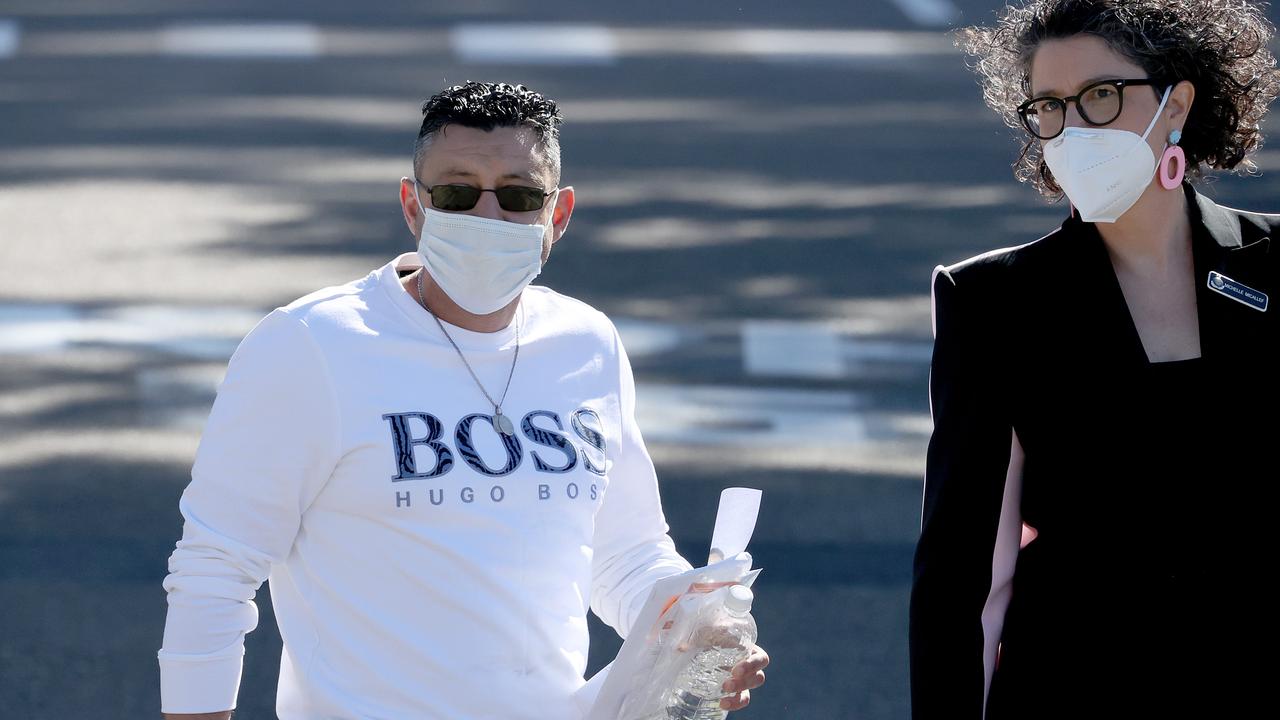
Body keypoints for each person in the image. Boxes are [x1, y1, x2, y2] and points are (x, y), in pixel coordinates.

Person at [158, 81, 768, 720]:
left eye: (517, 195)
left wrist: (696, 629)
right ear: (413, 206)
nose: (487, 217)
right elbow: (216, 565)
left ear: (556, 216)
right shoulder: (314, 345)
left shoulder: (586, 343)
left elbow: (624, 553)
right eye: (456, 192)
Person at [910, 1, 1279, 717]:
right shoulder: (994, 299)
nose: (1073, 128)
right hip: (1074, 686)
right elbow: (964, 572)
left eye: (1101, 97)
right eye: (1049, 106)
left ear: (1177, 104)